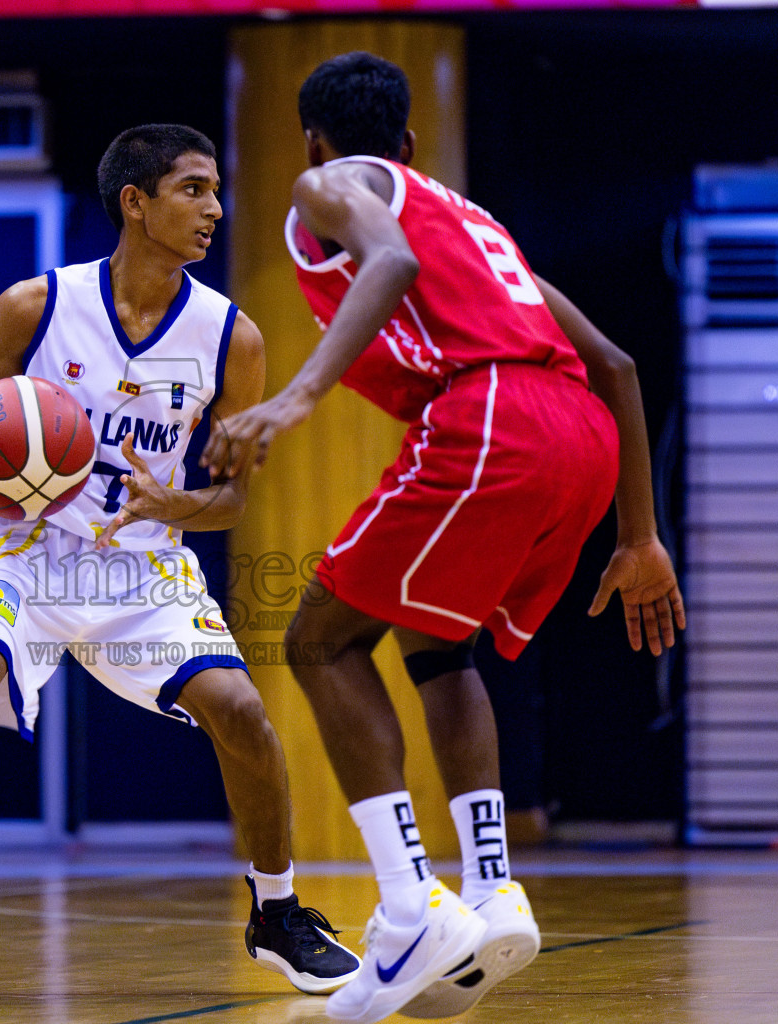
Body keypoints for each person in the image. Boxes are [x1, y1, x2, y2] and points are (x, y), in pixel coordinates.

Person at [0, 124, 359, 1008]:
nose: (215, 209)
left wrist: (170, 504)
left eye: (218, 191)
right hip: (26, 548)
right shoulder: (31, 307)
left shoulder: (234, 338)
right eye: (194, 190)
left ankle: (276, 915)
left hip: (141, 563)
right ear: (134, 203)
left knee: (244, 712)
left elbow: (231, 504)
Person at [203, 53, 686, 1023]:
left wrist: (295, 399)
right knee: (439, 646)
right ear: (412, 144)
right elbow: (618, 364)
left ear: (312, 142)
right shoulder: (474, 220)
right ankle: (491, 888)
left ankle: (408, 906)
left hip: (495, 415)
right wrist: (640, 536)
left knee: (315, 640)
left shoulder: (325, 184)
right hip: (581, 434)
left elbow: (389, 262)